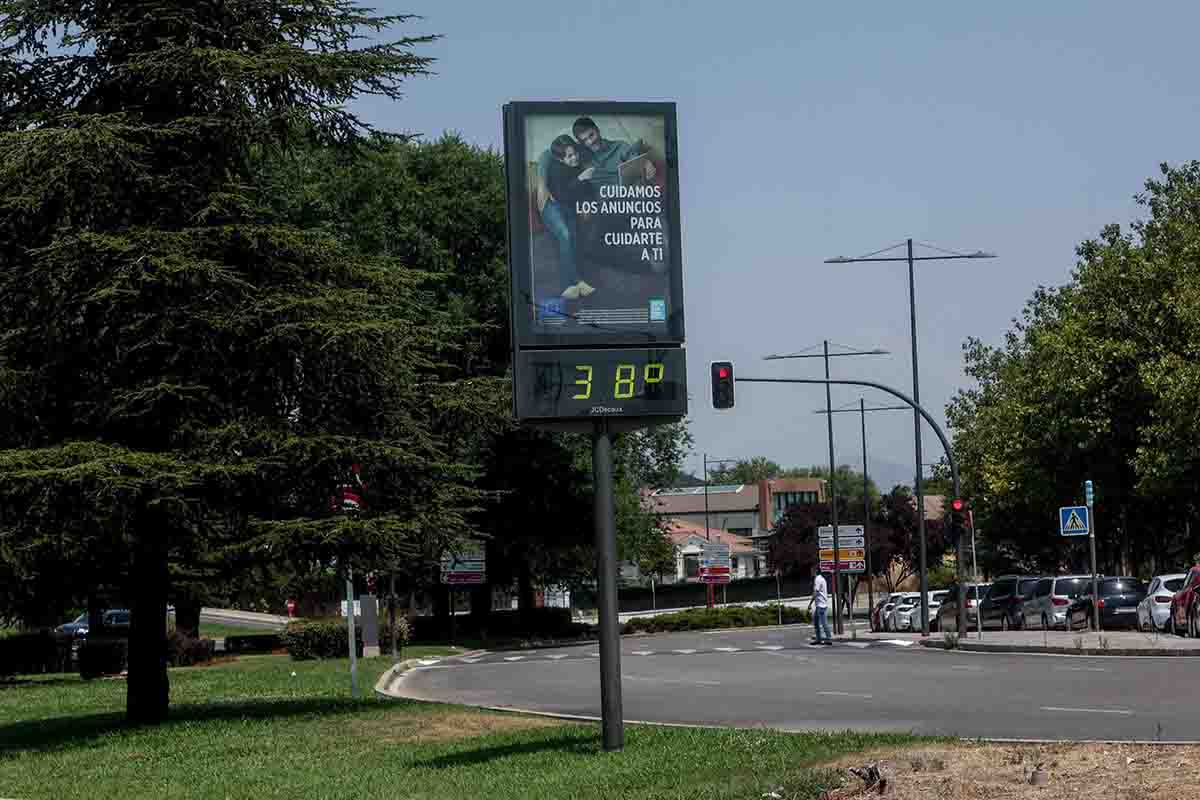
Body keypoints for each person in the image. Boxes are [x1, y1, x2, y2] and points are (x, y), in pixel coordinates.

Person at [538, 134, 597, 300]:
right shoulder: (556, 169)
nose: (574, 158)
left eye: (575, 153)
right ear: (560, 159)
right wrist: (581, 178)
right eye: (569, 156)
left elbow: (587, 191)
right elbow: (561, 194)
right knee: (565, 236)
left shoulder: (579, 164)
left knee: (575, 238)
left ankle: (578, 282)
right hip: (551, 206)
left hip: (568, 207)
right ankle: (569, 284)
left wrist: (587, 204)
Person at [571, 116, 658, 186]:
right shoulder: (580, 159)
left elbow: (635, 158)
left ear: (597, 130)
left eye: (591, 135)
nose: (590, 142)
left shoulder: (619, 146)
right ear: (581, 143)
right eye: (585, 140)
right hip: (607, 203)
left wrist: (645, 162)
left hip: (632, 195)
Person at [808, 565, 832, 645]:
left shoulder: (817, 579)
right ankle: (819, 639)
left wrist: (810, 603)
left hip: (821, 605)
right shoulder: (821, 578)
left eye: (811, 571)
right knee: (816, 623)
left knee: (823, 623)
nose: (811, 572)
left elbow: (816, 592)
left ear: (815, 571)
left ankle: (828, 639)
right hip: (821, 605)